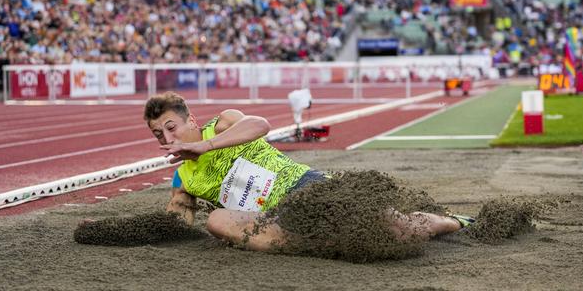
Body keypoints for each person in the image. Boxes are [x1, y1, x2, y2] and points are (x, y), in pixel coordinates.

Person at [144, 91, 474, 252]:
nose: (168, 139)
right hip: (273, 221)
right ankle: (308, 243)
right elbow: (176, 226)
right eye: (160, 135)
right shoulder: (182, 179)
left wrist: (206, 146)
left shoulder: (222, 124)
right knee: (216, 221)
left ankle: (454, 221)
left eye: (172, 128)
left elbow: (261, 124)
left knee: (398, 229)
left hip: (307, 189)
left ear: (192, 120)